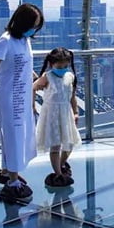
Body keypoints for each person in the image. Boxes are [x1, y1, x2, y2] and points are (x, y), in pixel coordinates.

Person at [0, 3, 43, 204]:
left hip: (24, 96)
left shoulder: (25, 41)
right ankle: (12, 181)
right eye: (33, 25)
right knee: (12, 136)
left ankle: (9, 170)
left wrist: (36, 77)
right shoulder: (5, 41)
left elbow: (25, 65)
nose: (34, 29)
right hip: (9, 97)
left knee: (23, 134)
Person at [33, 47, 81, 188]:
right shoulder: (47, 77)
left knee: (70, 143)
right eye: (59, 66)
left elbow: (72, 96)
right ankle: (58, 173)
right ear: (52, 64)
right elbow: (33, 87)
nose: (63, 69)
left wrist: (75, 111)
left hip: (65, 112)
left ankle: (60, 164)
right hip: (51, 113)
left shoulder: (70, 76)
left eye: (65, 66)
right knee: (55, 144)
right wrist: (32, 105)